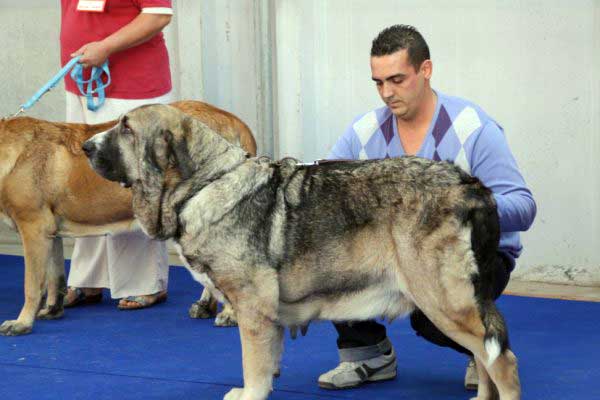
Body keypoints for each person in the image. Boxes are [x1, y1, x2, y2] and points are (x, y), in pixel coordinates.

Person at [318, 25, 536, 391]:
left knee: (429, 316)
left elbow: (524, 207)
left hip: (473, 255)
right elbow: (323, 191)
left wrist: (453, 208)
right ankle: (366, 352)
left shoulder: (474, 129)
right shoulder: (364, 130)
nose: (387, 93)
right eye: (378, 82)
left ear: (426, 70)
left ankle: (483, 349)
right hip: (391, 257)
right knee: (326, 259)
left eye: (397, 79)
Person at [60, 0, 174, 310]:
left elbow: (158, 15)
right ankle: (89, 278)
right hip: (81, 81)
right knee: (84, 181)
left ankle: (144, 281)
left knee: (133, 181)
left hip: (132, 87)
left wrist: (106, 47)